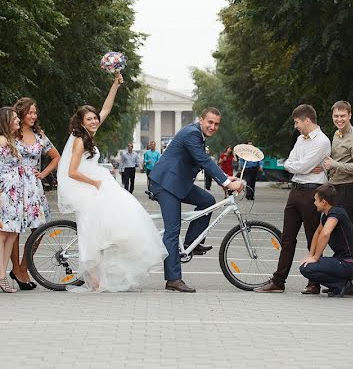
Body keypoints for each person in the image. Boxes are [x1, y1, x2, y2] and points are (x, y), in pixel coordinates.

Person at [58, 72, 168, 291]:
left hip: (96, 183)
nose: (94, 121)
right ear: (81, 122)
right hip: (86, 187)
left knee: (113, 225)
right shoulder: (79, 140)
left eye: (94, 118)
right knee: (91, 231)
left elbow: (106, 109)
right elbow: (71, 172)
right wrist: (95, 183)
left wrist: (115, 85)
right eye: (89, 119)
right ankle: (94, 279)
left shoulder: (90, 134)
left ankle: (106, 270)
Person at [149, 107, 244, 293]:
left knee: (207, 200)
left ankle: (192, 243)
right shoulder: (191, 134)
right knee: (172, 230)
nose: (213, 126)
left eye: (217, 124)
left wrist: (226, 177)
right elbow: (204, 160)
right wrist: (226, 182)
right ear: (201, 119)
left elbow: (204, 161)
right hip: (166, 184)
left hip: (179, 182)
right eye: (210, 122)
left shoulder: (197, 135)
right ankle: (173, 279)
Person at [254, 104, 330, 294]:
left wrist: (297, 166)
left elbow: (301, 166)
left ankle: (314, 282)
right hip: (295, 191)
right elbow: (288, 163)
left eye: (297, 122)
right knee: (287, 238)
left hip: (312, 192)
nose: (295, 126)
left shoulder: (322, 141)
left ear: (307, 120)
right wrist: (297, 166)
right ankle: (278, 281)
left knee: (312, 237)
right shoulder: (300, 139)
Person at [11, 98, 60, 290]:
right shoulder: (11, 135)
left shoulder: (39, 135)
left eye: (35, 112)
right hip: (15, 186)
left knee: (39, 229)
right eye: (30, 112)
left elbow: (56, 157)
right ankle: (16, 269)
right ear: (21, 114)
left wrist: (43, 174)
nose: (33, 116)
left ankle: (24, 267)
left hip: (34, 188)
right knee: (12, 231)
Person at [0, 107, 25, 293]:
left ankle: (0, 274)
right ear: (6, 121)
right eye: (15, 118)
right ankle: (1, 276)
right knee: (1, 233)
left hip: (15, 193)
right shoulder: (0, 140)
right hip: (4, 193)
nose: (18, 121)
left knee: (12, 233)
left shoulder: (11, 140)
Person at [298, 184, 353, 297]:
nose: (314, 203)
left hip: (348, 264)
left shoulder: (336, 213)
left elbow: (325, 233)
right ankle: (343, 285)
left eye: (316, 200)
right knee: (307, 263)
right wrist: (310, 255)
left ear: (324, 202)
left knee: (306, 268)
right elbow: (317, 233)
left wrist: (316, 257)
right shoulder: (327, 215)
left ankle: (340, 285)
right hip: (342, 261)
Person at [322, 101, 353, 227]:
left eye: (343, 116)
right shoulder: (337, 134)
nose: (339, 119)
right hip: (334, 187)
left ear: (350, 115)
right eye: (336, 116)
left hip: (348, 189)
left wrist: (335, 164)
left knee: (347, 232)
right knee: (334, 232)